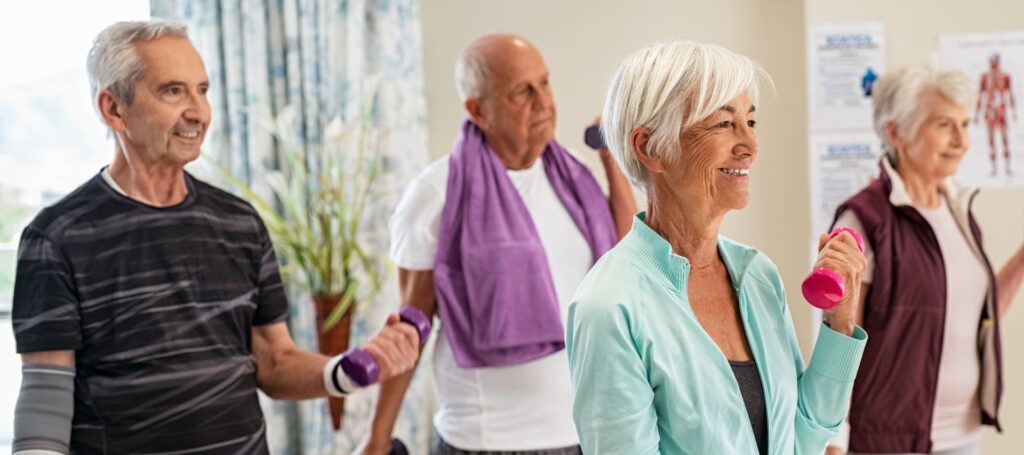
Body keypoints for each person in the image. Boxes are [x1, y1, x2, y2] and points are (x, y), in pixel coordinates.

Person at [11, 21, 421, 454]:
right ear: (114, 109)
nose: (199, 112)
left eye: (202, 90)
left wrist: (347, 370)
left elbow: (274, 361)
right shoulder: (57, 238)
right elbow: (45, 400)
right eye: (173, 91)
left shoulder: (239, 223)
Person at [566, 40, 869, 454]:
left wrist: (839, 321)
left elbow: (806, 435)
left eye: (751, 121)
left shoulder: (757, 274)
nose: (750, 145)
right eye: (724, 124)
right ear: (650, 147)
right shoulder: (609, 306)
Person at [361, 34, 637, 454]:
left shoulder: (574, 178)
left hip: (583, 435)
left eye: (544, 83)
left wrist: (612, 162)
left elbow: (626, 258)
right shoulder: (436, 193)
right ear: (478, 110)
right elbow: (410, 326)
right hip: (485, 442)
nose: (544, 101)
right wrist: (377, 439)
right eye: (522, 92)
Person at [826, 63, 1024, 455]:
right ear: (897, 132)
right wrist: (835, 440)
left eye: (966, 124)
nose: (962, 141)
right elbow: (840, 336)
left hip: (964, 435)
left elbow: (980, 316)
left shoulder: (958, 211)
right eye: (944, 125)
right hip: (890, 441)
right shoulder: (865, 219)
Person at [975, 53, 1017, 176]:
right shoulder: (985, 77)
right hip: (989, 111)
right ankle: (994, 169)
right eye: (991, 63)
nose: (993, 66)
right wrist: (977, 113)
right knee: (991, 139)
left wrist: (1013, 111)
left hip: (1001, 111)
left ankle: (1007, 168)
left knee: (1004, 138)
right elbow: (980, 95)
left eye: (995, 63)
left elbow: (1010, 94)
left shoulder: (1005, 76)